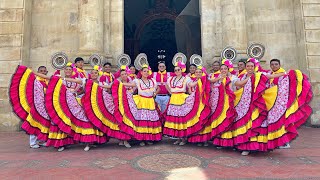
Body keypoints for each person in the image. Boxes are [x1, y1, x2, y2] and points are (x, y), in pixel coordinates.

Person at [45, 63, 107, 152]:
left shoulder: (97, 83)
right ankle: (62, 143)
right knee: (65, 121)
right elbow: (52, 82)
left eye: (70, 70)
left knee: (89, 122)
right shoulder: (66, 80)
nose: (68, 71)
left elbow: (108, 89)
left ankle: (89, 142)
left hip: (85, 104)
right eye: (66, 69)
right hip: (66, 103)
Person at [188, 60, 237, 146]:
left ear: (228, 69)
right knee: (216, 120)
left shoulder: (233, 78)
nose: (223, 70)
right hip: (215, 102)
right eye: (222, 69)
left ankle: (227, 142)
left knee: (226, 120)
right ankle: (218, 141)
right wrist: (218, 78)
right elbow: (208, 81)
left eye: (225, 68)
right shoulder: (213, 77)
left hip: (227, 102)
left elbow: (238, 85)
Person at [112, 64, 162, 146]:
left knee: (150, 120)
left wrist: (155, 93)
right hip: (141, 102)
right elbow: (129, 85)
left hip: (150, 102)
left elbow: (158, 88)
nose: (146, 73)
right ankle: (141, 139)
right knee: (142, 121)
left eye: (147, 71)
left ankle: (148, 139)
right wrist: (119, 83)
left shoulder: (152, 81)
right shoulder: (137, 81)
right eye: (144, 71)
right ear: (141, 72)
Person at [82, 67, 132, 148]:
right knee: (90, 123)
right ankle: (88, 143)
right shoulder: (86, 82)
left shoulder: (103, 84)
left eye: (95, 73)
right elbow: (79, 84)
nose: (94, 74)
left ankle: (123, 139)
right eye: (92, 73)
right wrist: (63, 78)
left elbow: (110, 90)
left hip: (102, 107)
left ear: (98, 75)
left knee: (116, 120)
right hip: (89, 106)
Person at [163, 62, 210, 146]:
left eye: (178, 70)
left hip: (181, 99)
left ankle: (184, 138)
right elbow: (166, 84)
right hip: (173, 99)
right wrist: (170, 92)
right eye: (175, 70)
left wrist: (199, 80)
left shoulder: (186, 78)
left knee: (181, 119)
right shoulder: (171, 78)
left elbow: (191, 85)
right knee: (175, 119)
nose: (177, 71)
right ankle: (178, 138)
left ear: (182, 70)